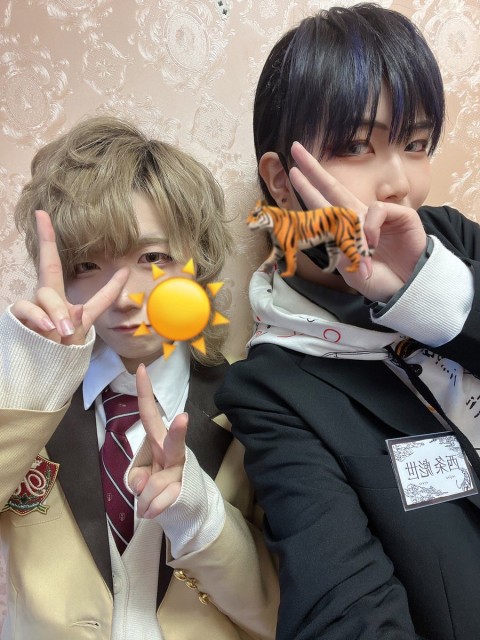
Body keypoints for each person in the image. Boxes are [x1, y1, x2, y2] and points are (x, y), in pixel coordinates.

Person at [215, 4, 480, 640]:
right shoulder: (274, 388)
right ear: (281, 182)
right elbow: (343, 610)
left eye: (415, 144)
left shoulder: (448, 239)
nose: (399, 184)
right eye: (357, 146)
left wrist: (429, 297)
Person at [0, 116, 278, 640]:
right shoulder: (26, 404)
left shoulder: (253, 404)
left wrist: (200, 515)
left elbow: (278, 616)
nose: (125, 296)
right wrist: (20, 381)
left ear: (196, 261)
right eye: (86, 265)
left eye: (153, 257)